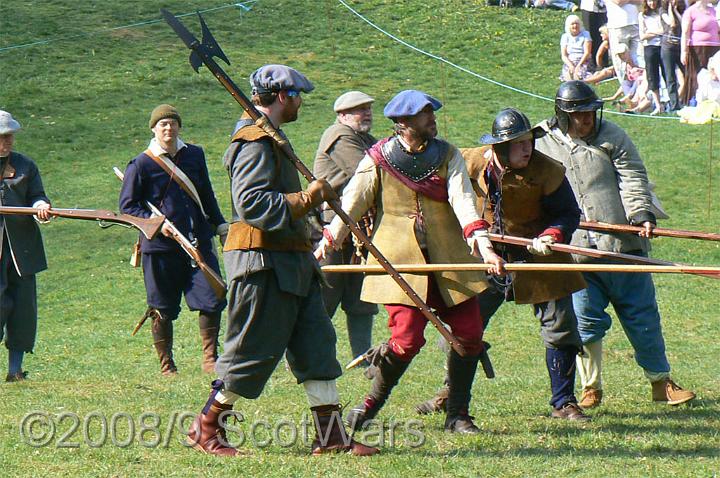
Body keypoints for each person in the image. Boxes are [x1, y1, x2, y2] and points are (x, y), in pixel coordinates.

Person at [186, 65, 378, 457]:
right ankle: (206, 427)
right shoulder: (253, 142)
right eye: (297, 96)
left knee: (317, 346)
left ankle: (331, 436)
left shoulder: (271, 136)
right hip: (262, 264)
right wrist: (308, 198)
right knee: (250, 350)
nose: (302, 102)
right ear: (283, 97)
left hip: (292, 262)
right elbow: (253, 205)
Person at [315, 89, 505, 434]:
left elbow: (462, 199)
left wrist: (483, 245)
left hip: (449, 259)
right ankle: (368, 407)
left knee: (469, 336)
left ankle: (458, 415)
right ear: (403, 123)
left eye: (431, 112)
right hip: (399, 263)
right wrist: (330, 240)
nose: (432, 119)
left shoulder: (447, 155)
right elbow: (352, 202)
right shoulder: (378, 158)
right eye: (424, 115)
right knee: (406, 341)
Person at [415, 108, 591, 421]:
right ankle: (450, 395)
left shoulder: (548, 171)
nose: (527, 148)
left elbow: (568, 213)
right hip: (484, 256)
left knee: (561, 328)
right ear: (499, 147)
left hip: (538, 257)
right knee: (460, 331)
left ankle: (564, 403)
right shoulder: (468, 162)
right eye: (519, 143)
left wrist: (551, 235)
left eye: (529, 141)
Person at [535, 80, 696, 409]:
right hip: (576, 250)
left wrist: (640, 214)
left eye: (590, 113)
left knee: (642, 316)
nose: (586, 120)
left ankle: (660, 382)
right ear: (563, 115)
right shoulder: (541, 142)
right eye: (578, 115)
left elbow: (632, 174)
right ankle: (590, 387)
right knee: (584, 319)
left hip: (622, 246)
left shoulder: (613, 135)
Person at [119, 104, 228, 376]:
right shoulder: (141, 163)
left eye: (172, 123)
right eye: (163, 124)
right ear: (154, 129)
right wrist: (157, 226)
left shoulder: (194, 155)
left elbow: (205, 193)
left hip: (197, 242)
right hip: (160, 248)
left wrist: (219, 223)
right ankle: (167, 365)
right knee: (161, 306)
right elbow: (128, 207)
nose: (168, 128)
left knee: (212, 298)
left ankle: (210, 359)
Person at [312, 91, 379, 363]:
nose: (366, 113)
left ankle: (363, 358)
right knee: (325, 295)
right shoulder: (340, 136)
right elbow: (366, 171)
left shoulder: (365, 139)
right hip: (332, 227)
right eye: (359, 109)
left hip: (358, 229)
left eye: (368, 108)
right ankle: (311, 356)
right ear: (342, 115)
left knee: (361, 298)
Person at [0, 110, 51, 382]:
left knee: (23, 310)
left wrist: (40, 206)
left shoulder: (25, 166)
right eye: (2, 137)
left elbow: (37, 196)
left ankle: (15, 371)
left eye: (10, 137)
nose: (7, 142)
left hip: (22, 251)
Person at [680, 0, 719, 105]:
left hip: (715, 48)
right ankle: (694, 101)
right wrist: (683, 51)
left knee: (714, 76)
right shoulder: (690, 11)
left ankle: (714, 101)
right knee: (697, 76)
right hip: (697, 49)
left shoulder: (713, 11)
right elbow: (685, 33)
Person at [605, 0, 642, 84]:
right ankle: (627, 88)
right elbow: (619, 2)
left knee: (639, 59)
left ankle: (639, 88)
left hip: (635, 23)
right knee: (621, 61)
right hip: (617, 26)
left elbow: (641, 1)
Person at [639, 0, 665, 114]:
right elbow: (642, 36)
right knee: (652, 76)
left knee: (666, 74)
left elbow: (665, 30)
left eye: (654, 1)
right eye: (649, 1)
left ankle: (668, 102)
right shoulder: (642, 15)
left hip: (662, 46)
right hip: (649, 47)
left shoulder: (661, 12)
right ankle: (658, 105)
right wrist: (657, 33)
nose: (652, 3)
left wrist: (651, 32)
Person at [660, 0, 686, 111]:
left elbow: (683, 24)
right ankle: (674, 105)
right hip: (668, 48)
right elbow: (672, 23)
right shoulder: (663, 11)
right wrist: (671, 9)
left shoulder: (683, 10)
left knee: (687, 74)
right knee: (671, 77)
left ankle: (686, 99)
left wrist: (676, 10)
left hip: (680, 47)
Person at [561, 15, 594, 81]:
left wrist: (579, 65)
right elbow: (564, 55)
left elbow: (587, 52)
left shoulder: (585, 34)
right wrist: (571, 65)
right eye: (572, 24)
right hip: (571, 61)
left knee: (580, 75)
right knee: (569, 76)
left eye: (577, 23)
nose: (575, 26)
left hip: (583, 61)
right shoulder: (565, 36)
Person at [581, 0, 609, 71]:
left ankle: (603, 63)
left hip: (604, 7)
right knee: (590, 36)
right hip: (589, 7)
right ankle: (592, 64)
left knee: (604, 36)